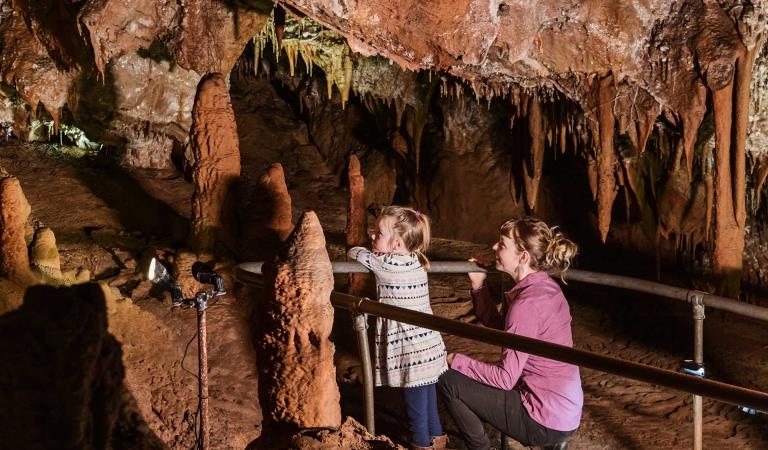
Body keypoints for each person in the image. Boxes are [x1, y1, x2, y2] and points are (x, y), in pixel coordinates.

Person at [438, 217, 583, 450]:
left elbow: (505, 379)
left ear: (523, 257)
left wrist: (456, 360)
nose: (494, 247)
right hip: (565, 409)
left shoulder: (527, 304)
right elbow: (503, 326)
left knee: (449, 381)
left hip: (544, 419)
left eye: (502, 244)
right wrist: (478, 286)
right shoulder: (546, 288)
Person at [348, 206, 449, 450]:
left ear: (395, 245)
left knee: (414, 405)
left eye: (378, 233)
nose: (372, 236)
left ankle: (420, 444)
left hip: (409, 349)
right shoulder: (415, 259)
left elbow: (354, 252)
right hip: (428, 343)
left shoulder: (385, 263)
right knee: (427, 396)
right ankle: (439, 441)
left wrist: (359, 246)